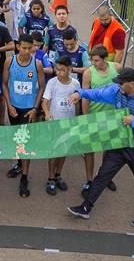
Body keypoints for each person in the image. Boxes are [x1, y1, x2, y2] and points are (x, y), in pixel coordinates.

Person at [67, 67, 134, 228]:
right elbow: (97, 94)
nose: (118, 86)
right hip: (120, 141)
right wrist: (80, 93)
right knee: (103, 174)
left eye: (121, 83)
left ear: (131, 83)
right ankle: (86, 207)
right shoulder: (117, 91)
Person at [2, 34, 45, 195]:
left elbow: (41, 87)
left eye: (30, 48)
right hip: (13, 107)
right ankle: (20, 165)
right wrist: (8, 104)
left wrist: (35, 108)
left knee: (25, 143)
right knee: (16, 140)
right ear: (17, 46)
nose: (27, 51)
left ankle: (25, 177)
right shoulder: (9, 61)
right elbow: (5, 84)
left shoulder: (37, 64)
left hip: (29, 110)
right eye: (24, 48)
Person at [80, 45, 121, 196]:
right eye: (92, 60)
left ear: (104, 59)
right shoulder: (88, 73)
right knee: (90, 150)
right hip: (94, 115)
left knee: (108, 150)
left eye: (96, 60)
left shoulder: (117, 68)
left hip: (112, 117)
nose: (93, 63)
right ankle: (89, 180)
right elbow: (85, 95)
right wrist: (85, 117)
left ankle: (104, 176)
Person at [42, 56, 82, 195]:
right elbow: (45, 101)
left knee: (64, 151)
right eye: (57, 69)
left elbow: (77, 103)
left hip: (68, 123)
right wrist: (47, 113)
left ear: (70, 69)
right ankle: (51, 178)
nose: (59, 73)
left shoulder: (76, 84)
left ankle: (58, 174)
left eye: (63, 70)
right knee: (54, 151)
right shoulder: (52, 83)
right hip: (54, 123)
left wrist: (75, 120)